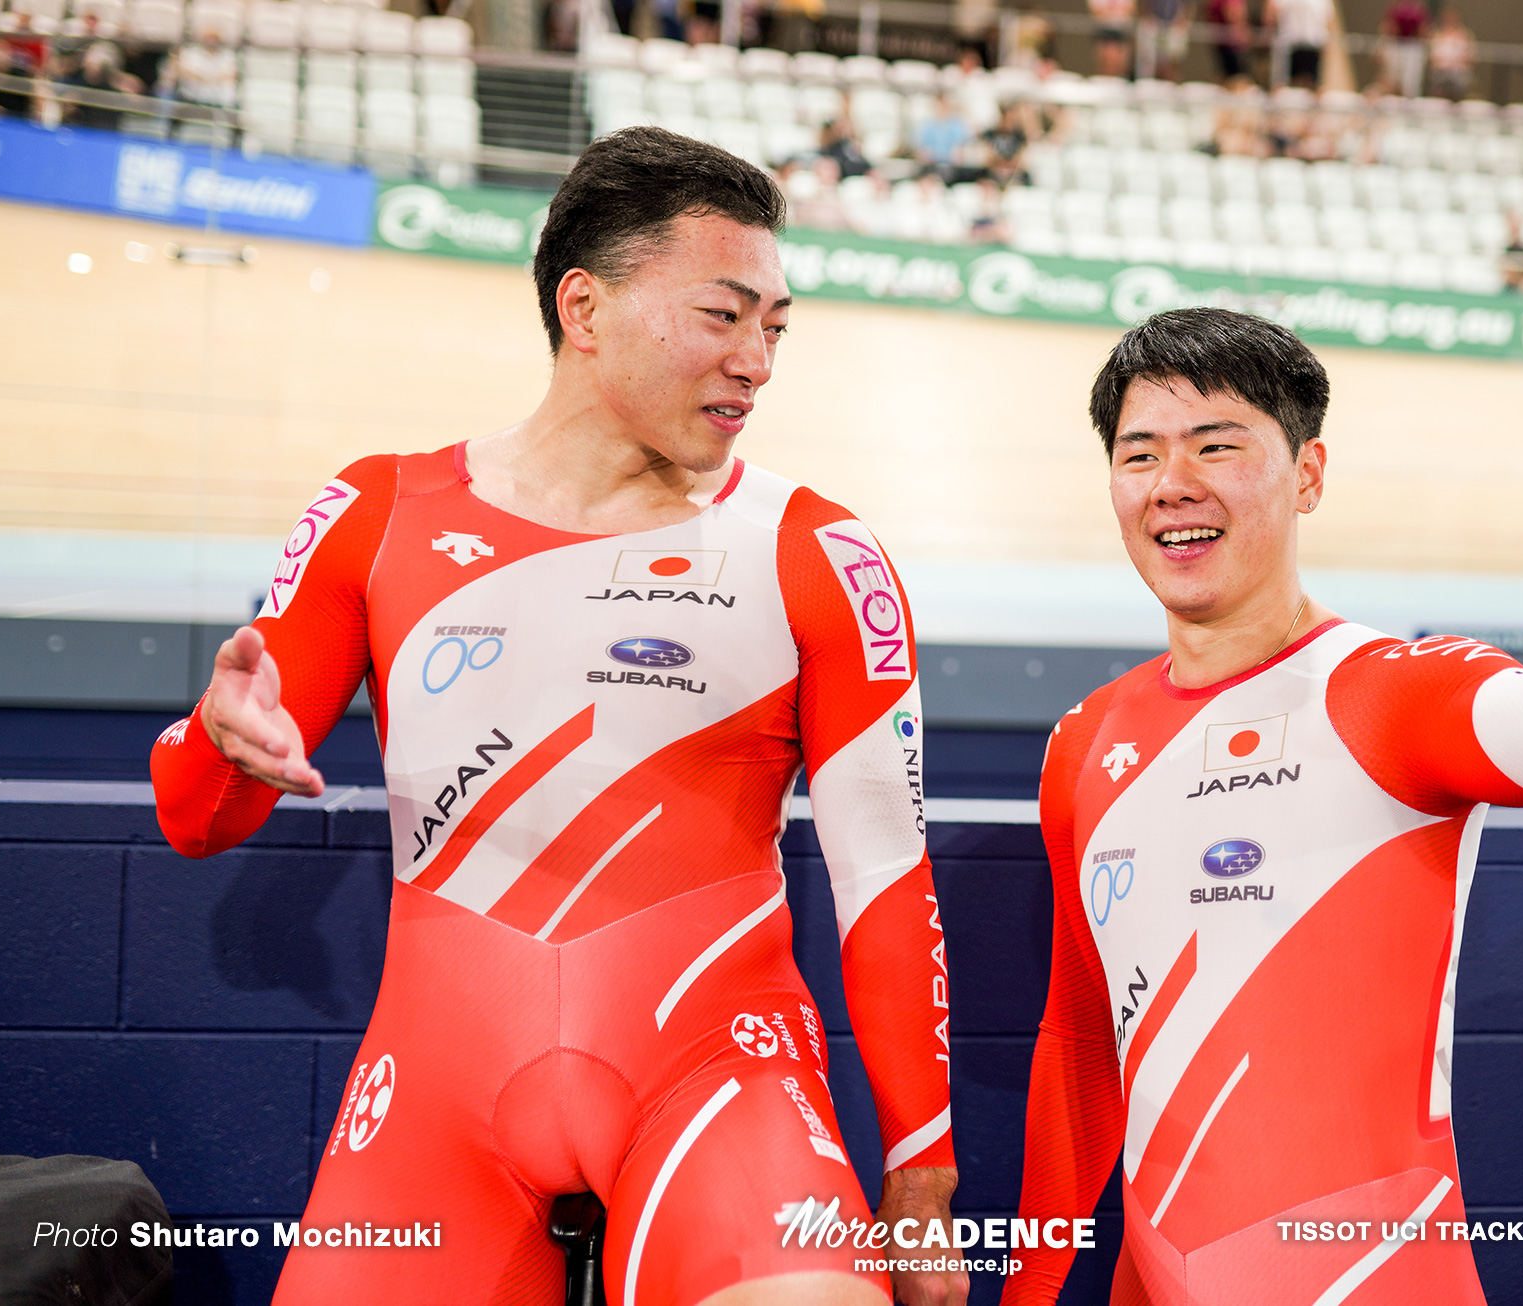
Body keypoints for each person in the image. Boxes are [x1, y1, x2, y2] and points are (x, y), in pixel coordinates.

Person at [151, 128, 965, 1306]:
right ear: (585, 307)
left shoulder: (817, 549)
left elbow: (887, 871)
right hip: (437, 1095)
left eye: (776, 327)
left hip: (718, 1079)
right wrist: (219, 747)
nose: (759, 361)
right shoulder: (379, 510)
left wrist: (922, 1176)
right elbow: (194, 822)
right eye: (723, 316)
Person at [1003, 260, 1523, 1305]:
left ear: (1307, 474)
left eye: (1217, 444)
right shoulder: (1083, 742)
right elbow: (1080, 1038)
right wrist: (1029, 1288)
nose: (1172, 480)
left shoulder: (1390, 695)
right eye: (1140, 454)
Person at [1265, 0, 1330, 90]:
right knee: (1283, 86)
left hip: (1310, 43)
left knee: (1312, 86)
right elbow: (1271, 14)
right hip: (1291, 43)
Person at [1377, 0, 1428, 97]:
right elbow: (1388, 26)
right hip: (1397, 44)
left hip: (1412, 46)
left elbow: (1423, 29)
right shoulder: (1395, 7)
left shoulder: (1417, 8)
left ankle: (1408, 100)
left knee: (1409, 81)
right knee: (1392, 79)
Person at [1427, 5, 1475, 101]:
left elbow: (1471, 57)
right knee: (1440, 78)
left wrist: (1455, 64)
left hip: (1458, 70)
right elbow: (1431, 56)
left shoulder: (1465, 35)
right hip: (1440, 70)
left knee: (1457, 79)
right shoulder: (1437, 34)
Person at [1090, 0, 1134, 80]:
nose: (1112, 57)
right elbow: (1097, 10)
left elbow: (1129, 9)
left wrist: (1112, 13)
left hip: (1122, 29)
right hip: (1103, 28)